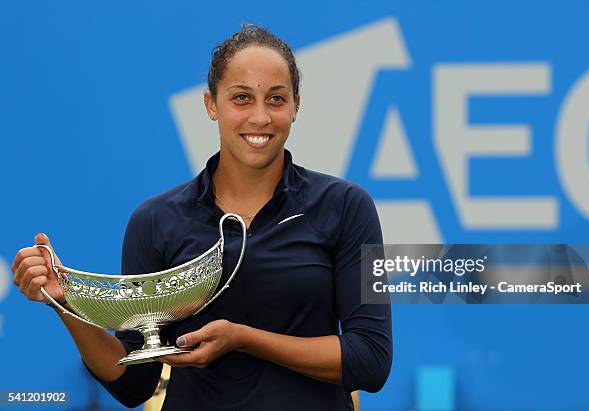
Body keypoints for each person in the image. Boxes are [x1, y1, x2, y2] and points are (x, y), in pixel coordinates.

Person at [11, 25, 392, 410]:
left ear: (296, 105)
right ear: (211, 104)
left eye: (276, 99)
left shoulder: (349, 207)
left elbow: (371, 359)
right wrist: (66, 305)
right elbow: (134, 384)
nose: (260, 117)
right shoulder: (154, 221)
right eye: (241, 98)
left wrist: (243, 338)